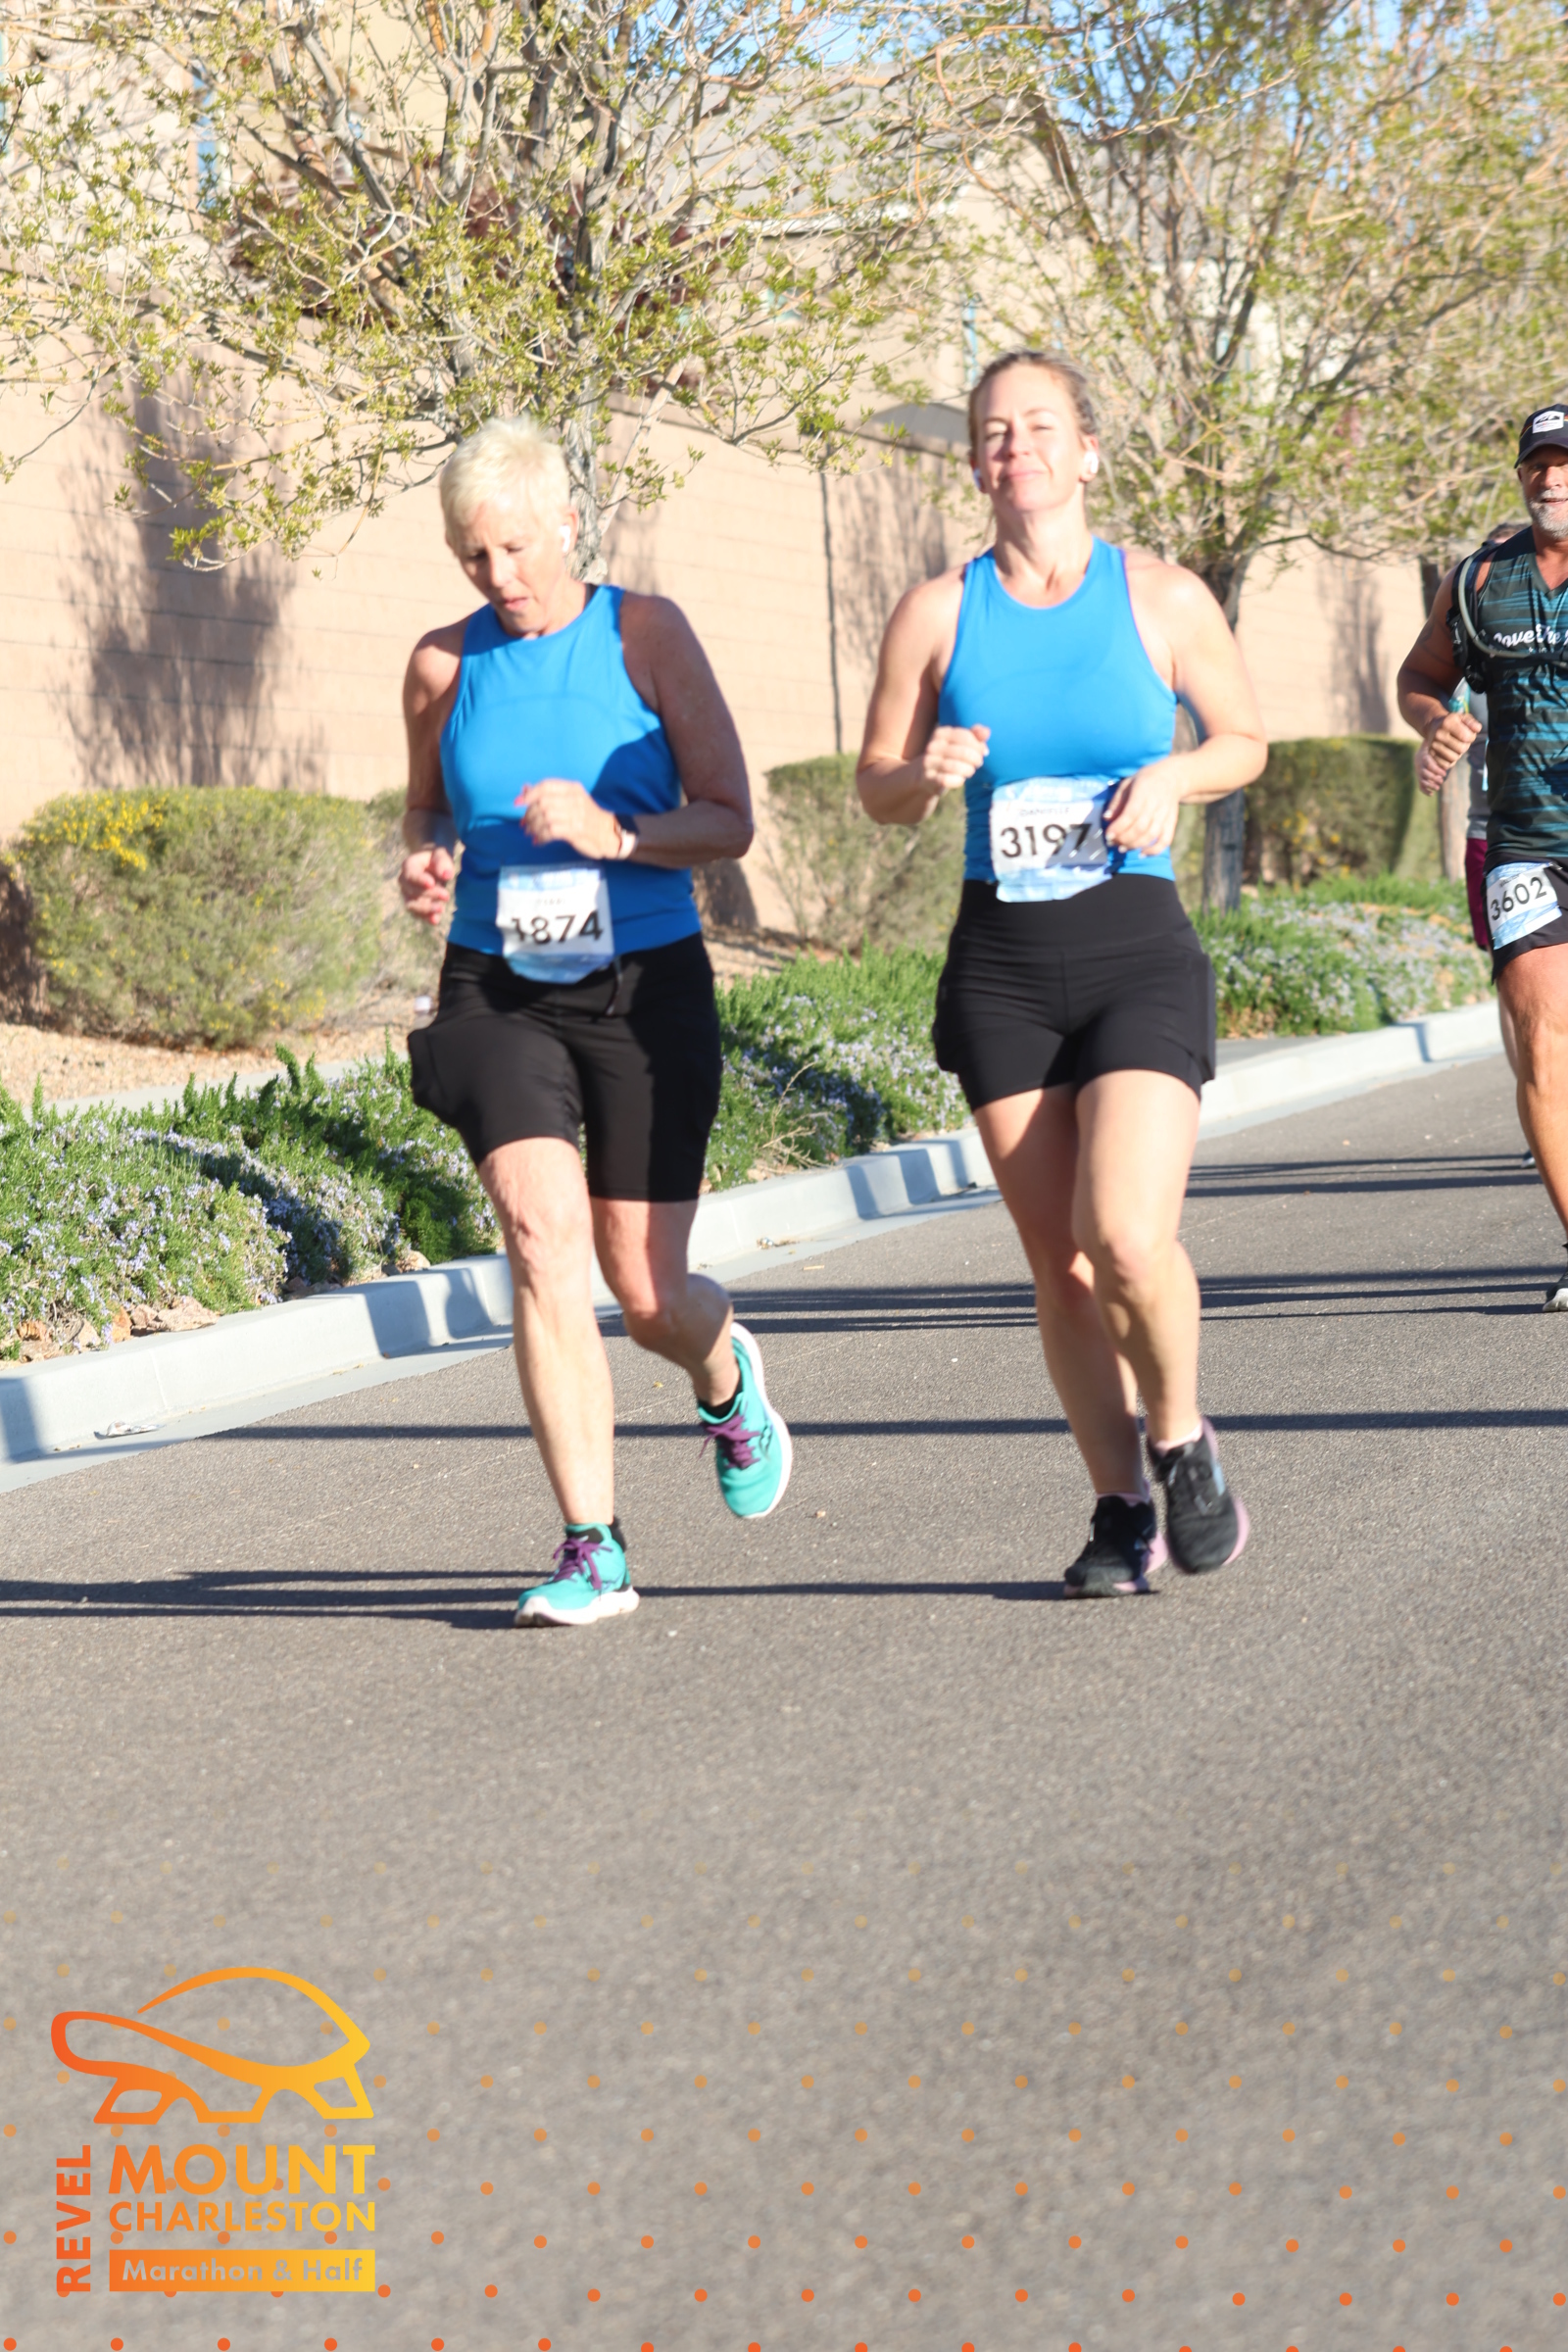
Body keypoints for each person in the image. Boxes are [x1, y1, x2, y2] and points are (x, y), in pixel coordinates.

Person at [858, 349, 1267, 1596]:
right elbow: (875, 786)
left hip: (1135, 949)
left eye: (1040, 426)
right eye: (993, 431)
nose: (1015, 447)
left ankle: (1181, 1442)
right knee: (1062, 1266)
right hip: (1003, 965)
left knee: (1127, 1237)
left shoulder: (1162, 597)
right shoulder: (937, 612)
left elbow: (1243, 742)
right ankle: (1117, 1509)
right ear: (975, 462)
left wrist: (1173, 777)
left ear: (1086, 450)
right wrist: (921, 775)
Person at [399, 416, 792, 1624]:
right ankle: (592, 1547)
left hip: (642, 985)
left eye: (516, 547)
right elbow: (426, 811)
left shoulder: (645, 635)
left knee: (646, 1289)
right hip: (498, 985)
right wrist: (425, 861)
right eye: (474, 556)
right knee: (538, 1237)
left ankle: (724, 1378)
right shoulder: (442, 666)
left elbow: (728, 817)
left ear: (568, 523)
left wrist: (615, 832)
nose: (499, 576)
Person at [1396, 403, 1568, 1309]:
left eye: (1566, 463)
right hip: (1523, 843)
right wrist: (1435, 723)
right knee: (1541, 1043)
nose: (1552, 478)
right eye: (1538, 463)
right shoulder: (1478, 581)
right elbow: (1421, 675)